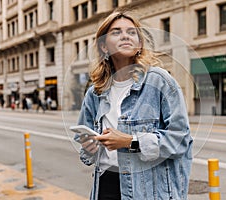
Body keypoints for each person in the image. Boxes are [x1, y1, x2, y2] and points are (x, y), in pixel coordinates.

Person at [75, 11, 193, 200]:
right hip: (105, 186)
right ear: (104, 46)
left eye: (131, 32)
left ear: (139, 44)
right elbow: (85, 146)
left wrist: (131, 141)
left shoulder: (159, 81)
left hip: (148, 190)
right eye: (116, 32)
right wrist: (90, 149)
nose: (125, 36)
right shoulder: (95, 92)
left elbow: (181, 141)